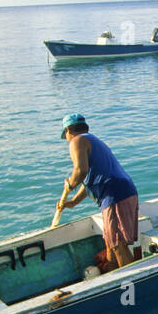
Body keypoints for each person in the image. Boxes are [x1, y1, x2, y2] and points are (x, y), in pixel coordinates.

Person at [56, 113, 139, 268]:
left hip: (114, 195)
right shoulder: (94, 140)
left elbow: (80, 171)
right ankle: (113, 275)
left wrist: (70, 185)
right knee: (111, 242)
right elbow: (89, 179)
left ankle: (132, 284)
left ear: (68, 130)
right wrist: (73, 201)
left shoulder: (77, 141)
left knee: (117, 243)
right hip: (123, 192)